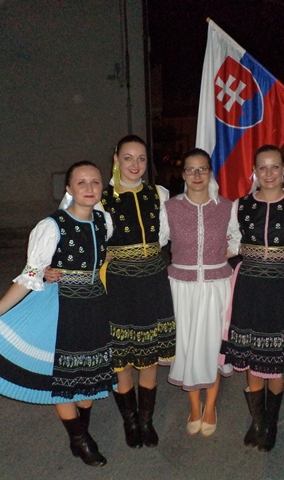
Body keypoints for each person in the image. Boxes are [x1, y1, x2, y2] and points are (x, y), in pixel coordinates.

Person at [0, 161, 115, 468]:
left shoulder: (104, 220)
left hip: (95, 305)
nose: (89, 188)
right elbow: (29, 276)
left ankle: (82, 430)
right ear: (69, 188)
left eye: (95, 181)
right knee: (63, 377)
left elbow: (101, 256)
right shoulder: (51, 226)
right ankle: (80, 439)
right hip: (62, 307)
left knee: (89, 376)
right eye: (81, 182)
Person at [221, 145, 284, 452]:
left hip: (283, 286)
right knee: (254, 356)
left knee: (276, 358)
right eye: (262, 168)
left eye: (275, 166)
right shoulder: (240, 206)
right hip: (249, 286)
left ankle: (271, 423)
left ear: (283, 169)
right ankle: (257, 422)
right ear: (254, 171)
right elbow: (232, 245)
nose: (269, 173)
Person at [101, 135, 175, 449]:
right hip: (120, 284)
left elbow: (166, 236)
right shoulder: (101, 198)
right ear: (116, 158)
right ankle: (130, 421)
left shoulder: (159, 194)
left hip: (153, 281)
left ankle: (146, 420)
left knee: (149, 355)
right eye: (128, 157)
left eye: (141, 158)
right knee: (124, 359)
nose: (135, 164)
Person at [161, 148, 234, 437]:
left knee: (212, 345)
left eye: (202, 168)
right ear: (183, 175)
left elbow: (238, 240)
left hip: (217, 286)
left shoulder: (226, 207)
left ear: (210, 172)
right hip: (182, 287)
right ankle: (194, 406)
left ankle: (211, 406)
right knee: (188, 345)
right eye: (191, 169)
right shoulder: (170, 208)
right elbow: (154, 242)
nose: (197, 175)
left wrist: (221, 254)